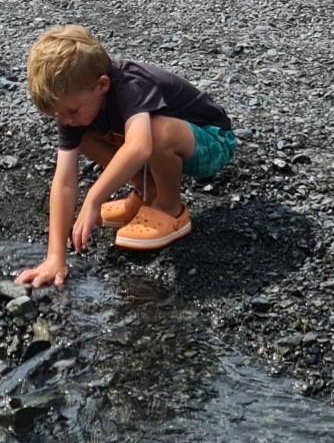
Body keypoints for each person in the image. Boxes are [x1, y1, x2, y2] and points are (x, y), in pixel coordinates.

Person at [15, 23, 235, 286]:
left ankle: (169, 209)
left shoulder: (130, 85)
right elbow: (63, 181)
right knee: (83, 137)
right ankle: (146, 191)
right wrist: (55, 257)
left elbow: (140, 147)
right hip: (166, 151)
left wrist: (93, 199)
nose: (65, 120)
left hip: (211, 141)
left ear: (102, 85)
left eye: (71, 111)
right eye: (57, 114)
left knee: (154, 131)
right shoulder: (75, 109)